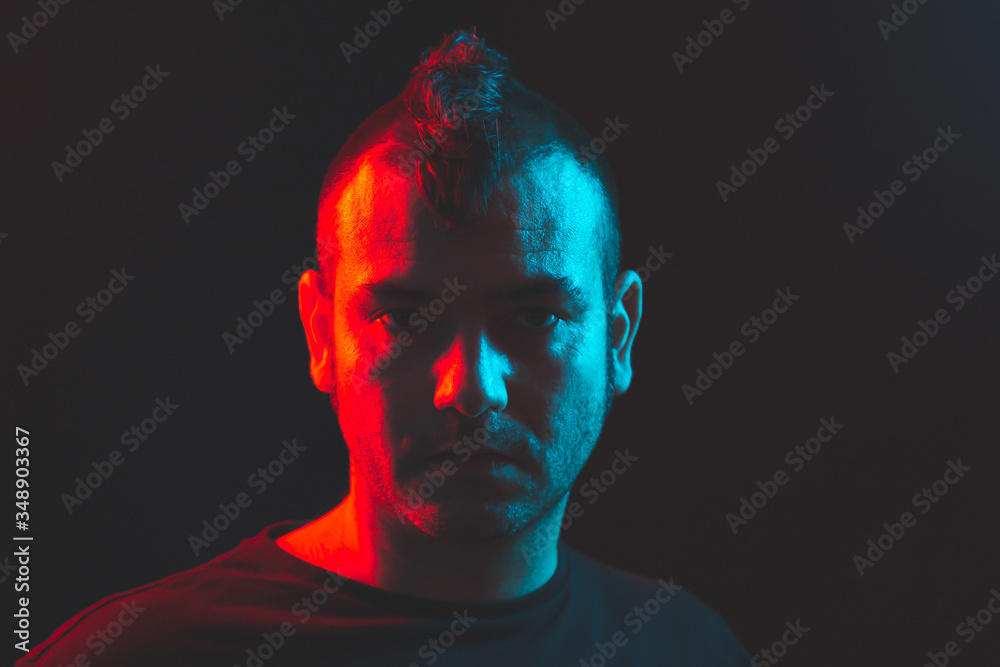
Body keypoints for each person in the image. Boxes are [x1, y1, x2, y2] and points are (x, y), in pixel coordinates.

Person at [18, 29, 753, 666]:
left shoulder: (685, 647)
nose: (470, 389)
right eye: (403, 319)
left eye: (533, 318)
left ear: (619, 334)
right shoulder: (143, 655)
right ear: (320, 332)